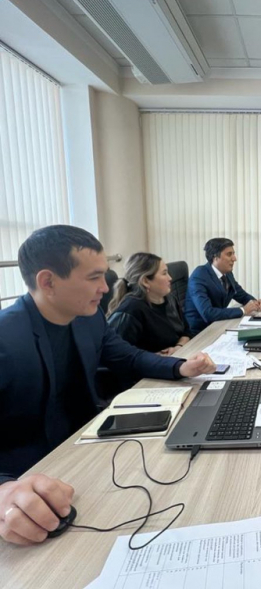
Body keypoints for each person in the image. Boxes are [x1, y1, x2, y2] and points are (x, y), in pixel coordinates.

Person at [0, 225, 216, 545]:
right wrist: (4, 489)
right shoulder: (6, 338)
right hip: (31, 479)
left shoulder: (89, 317)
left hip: (88, 454)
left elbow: (127, 357)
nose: (105, 287)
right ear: (48, 282)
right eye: (94, 278)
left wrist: (180, 366)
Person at [107, 253, 191, 355]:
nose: (170, 278)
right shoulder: (130, 310)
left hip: (178, 356)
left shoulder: (169, 298)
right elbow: (116, 356)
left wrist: (178, 347)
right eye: (164, 273)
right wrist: (156, 357)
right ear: (145, 281)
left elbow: (186, 331)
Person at [185, 238, 261, 335]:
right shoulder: (199, 276)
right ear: (215, 257)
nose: (234, 258)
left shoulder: (227, 273)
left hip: (219, 326)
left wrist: (254, 302)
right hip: (201, 333)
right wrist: (243, 310)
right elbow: (208, 313)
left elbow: (241, 295)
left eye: (233, 254)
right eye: (229, 254)